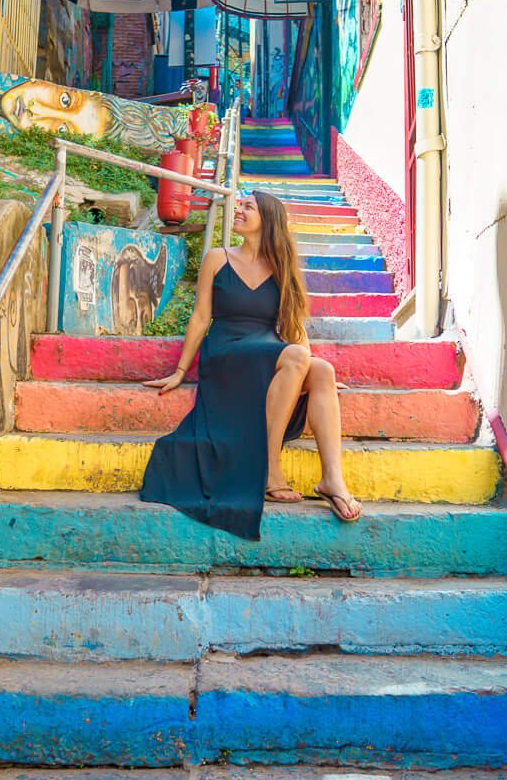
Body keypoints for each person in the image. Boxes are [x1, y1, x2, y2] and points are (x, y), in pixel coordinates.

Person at [139, 190, 362, 539]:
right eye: (239, 206)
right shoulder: (217, 258)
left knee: (323, 371)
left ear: (268, 220)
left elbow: (294, 325)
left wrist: (310, 366)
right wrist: (181, 371)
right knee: (301, 359)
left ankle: (332, 478)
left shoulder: (282, 267)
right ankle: (270, 468)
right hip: (227, 350)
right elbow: (200, 318)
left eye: (248, 207)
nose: (239, 211)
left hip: (268, 350)